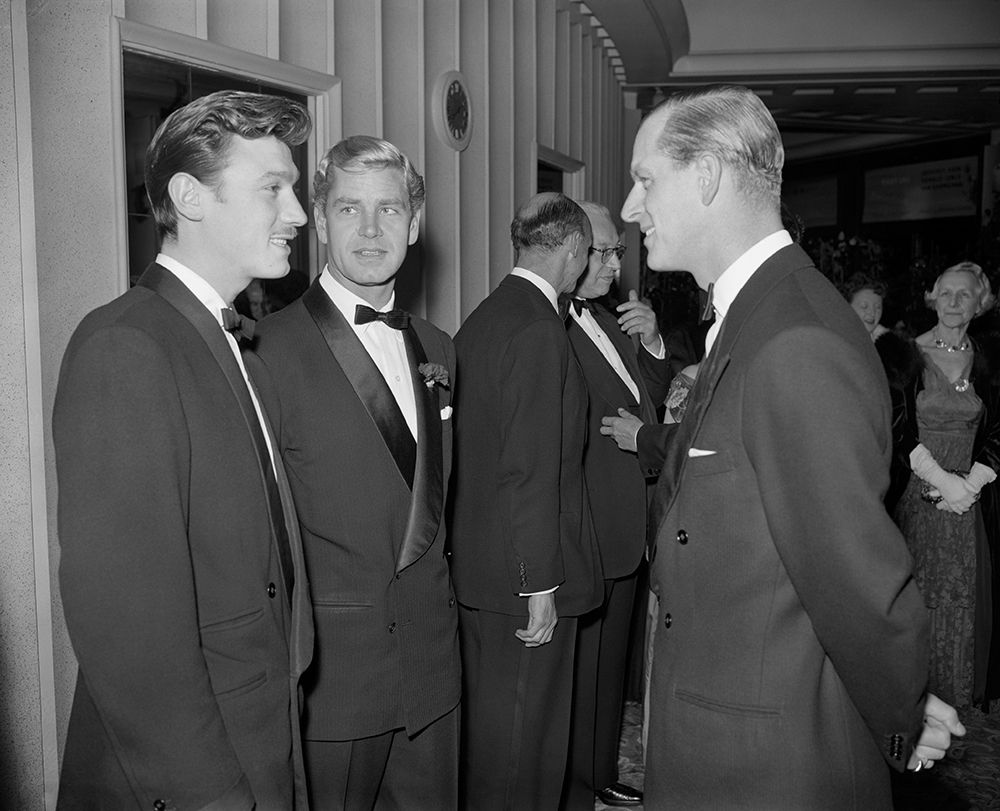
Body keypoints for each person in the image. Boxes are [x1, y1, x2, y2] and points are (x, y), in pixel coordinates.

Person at [621, 84, 964, 810]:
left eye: (645, 180)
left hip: (762, 763)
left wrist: (900, 714)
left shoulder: (796, 337)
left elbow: (855, 577)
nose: (630, 207)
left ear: (707, 175)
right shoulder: (758, 311)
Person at [53, 90, 314, 809]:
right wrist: (209, 793)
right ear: (189, 197)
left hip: (262, 737)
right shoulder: (126, 347)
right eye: (273, 188)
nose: (297, 213)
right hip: (193, 774)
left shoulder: (239, 350)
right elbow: (130, 630)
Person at [252, 135, 461, 810]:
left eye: (390, 209)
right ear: (319, 217)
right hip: (330, 686)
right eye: (349, 209)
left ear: (415, 221)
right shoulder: (264, 351)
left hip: (432, 674)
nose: (372, 230)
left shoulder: (440, 350)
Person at [450, 192, 604, 810]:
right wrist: (537, 582)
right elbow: (530, 467)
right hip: (525, 577)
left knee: (494, 743)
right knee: (525, 753)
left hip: (482, 569)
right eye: (588, 253)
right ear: (572, 249)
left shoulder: (484, 316)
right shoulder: (540, 329)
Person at [560, 202, 671, 810]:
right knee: (579, 673)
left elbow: (649, 405)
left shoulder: (609, 320)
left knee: (607, 671)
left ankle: (600, 770)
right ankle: (574, 782)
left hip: (630, 524)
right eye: (599, 251)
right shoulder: (548, 324)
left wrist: (653, 344)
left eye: (615, 253)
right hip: (588, 525)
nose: (609, 263)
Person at [891, 261, 1000, 711]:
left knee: (962, 600)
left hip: (971, 507)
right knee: (914, 598)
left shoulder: (992, 361)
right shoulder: (901, 354)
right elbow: (895, 428)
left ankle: (950, 713)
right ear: (932, 298)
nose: (955, 301)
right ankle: (908, 704)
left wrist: (969, 484)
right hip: (913, 496)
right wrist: (940, 481)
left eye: (965, 294)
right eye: (947, 293)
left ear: (982, 304)